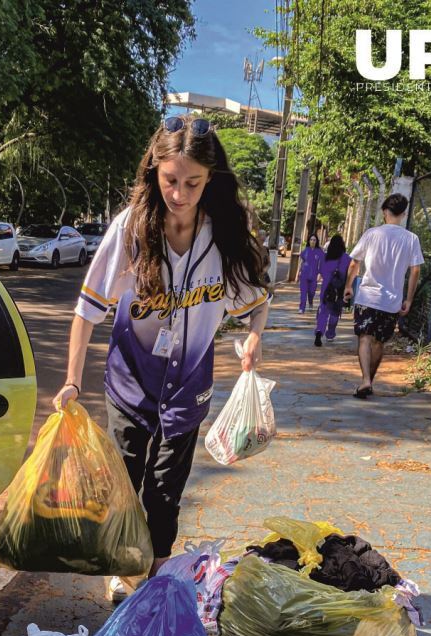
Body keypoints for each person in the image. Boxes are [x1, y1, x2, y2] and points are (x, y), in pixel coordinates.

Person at [52, 115, 271, 603]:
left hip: (188, 388)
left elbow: (256, 303)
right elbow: (87, 311)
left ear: (210, 179)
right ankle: (124, 570)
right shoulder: (130, 230)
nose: (180, 193)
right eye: (171, 180)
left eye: (193, 182)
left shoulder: (223, 235)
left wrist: (255, 337)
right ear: (154, 171)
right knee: (127, 483)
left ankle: (151, 577)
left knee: (166, 490)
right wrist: (71, 380)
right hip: (129, 382)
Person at [343, 193, 423, 398]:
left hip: (367, 297)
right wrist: (409, 299)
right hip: (391, 301)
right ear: (404, 214)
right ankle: (370, 380)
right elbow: (415, 271)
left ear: (385, 211)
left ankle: (365, 380)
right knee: (379, 341)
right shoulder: (411, 239)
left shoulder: (372, 234)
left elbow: (354, 262)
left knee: (364, 339)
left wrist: (348, 286)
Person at [313, 235, 351, 347]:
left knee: (323, 310)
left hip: (326, 288)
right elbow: (347, 274)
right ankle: (330, 334)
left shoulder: (325, 257)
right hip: (339, 289)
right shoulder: (346, 258)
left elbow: (322, 271)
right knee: (335, 312)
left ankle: (319, 331)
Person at [297, 234, 323, 313]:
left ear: (316, 241)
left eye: (314, 240)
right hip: (304, 274)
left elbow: (322, 264)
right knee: (303, 292)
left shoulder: (319, 252)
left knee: (312, 292)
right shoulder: (305, 250)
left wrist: (320, 274)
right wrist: (299, 272)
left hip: (314, 275)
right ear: (309, 241)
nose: (312, 241)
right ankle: (301, 308)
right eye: (311, 240)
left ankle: (311, 301)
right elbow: (301, 262)